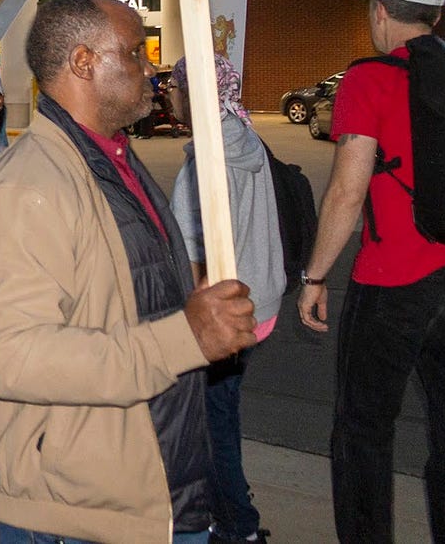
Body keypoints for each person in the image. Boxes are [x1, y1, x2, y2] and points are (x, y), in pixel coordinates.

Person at [0, 0, 257, 544]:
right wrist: (185, 335)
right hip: (67, 507)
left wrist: (190, 301)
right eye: (136, 52)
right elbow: (16, 358)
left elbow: (118, 293)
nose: (151, 68)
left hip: (143, 478)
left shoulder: (110, 160)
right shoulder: (29, 189)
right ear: (84, 62)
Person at [297, 0, 445, 544]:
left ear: (380, 12)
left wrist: (315, 275)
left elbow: (347, 188)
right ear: (434, 16)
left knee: (363, 431)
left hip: (393, 281)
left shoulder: (369, 79)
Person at [166, 54, 283, 544]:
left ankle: (237, 527)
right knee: (223, 418)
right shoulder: (247, 139)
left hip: (224, 315)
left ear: (191, 95)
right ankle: (235, 514)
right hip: (261, 305)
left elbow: (194, 256)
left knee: (213, 429)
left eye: (174, 86)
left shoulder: (207, 164)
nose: (168, 94)